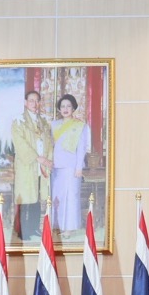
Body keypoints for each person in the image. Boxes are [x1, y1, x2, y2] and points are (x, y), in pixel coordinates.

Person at [9, 84, 53, 240]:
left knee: (37, 197)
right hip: (27, 165)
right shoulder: (19, 121)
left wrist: (48, 160)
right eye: (31, 100)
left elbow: (48, 142)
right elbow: (20, 143)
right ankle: (21, 230)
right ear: (25, 102)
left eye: (37, 101)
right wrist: (37, 157)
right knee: (26, 197)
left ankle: (33, 228)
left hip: (41, 166)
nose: (34, 104)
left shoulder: (43, 122)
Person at [48, 90, 88, 241]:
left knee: (71, 197)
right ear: (59, 109)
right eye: (62, 106)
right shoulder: (54, 125)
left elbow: (82, 148)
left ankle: (69, 228)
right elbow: (49, 145)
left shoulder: (80, 126)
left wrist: (79, 167)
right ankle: (57, 225)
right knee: (57, 197)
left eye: (68, 106)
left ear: (73, 108)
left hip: (72, 167)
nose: (65, 109)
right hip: (56, 167)